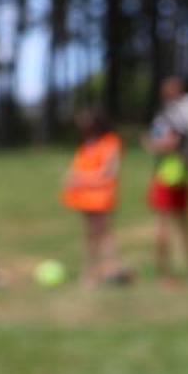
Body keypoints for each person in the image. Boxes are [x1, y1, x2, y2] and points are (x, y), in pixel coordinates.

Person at [145, 76, 188, 281]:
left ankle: (167, 274)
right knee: (185, 224)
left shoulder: (169, 116)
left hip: (167, 175)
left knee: (164, 225)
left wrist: (149, 143)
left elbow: (165, 143)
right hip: (184, 173)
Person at [62, 109, 125, 285]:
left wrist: (80, 179)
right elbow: (77, 168)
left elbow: (108, 173)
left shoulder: (110, 142)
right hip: (85, 198)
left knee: (103, 236)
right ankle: (97, 271)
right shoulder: (86, 144)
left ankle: (109, 270)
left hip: (101, 198)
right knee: (92, 237)